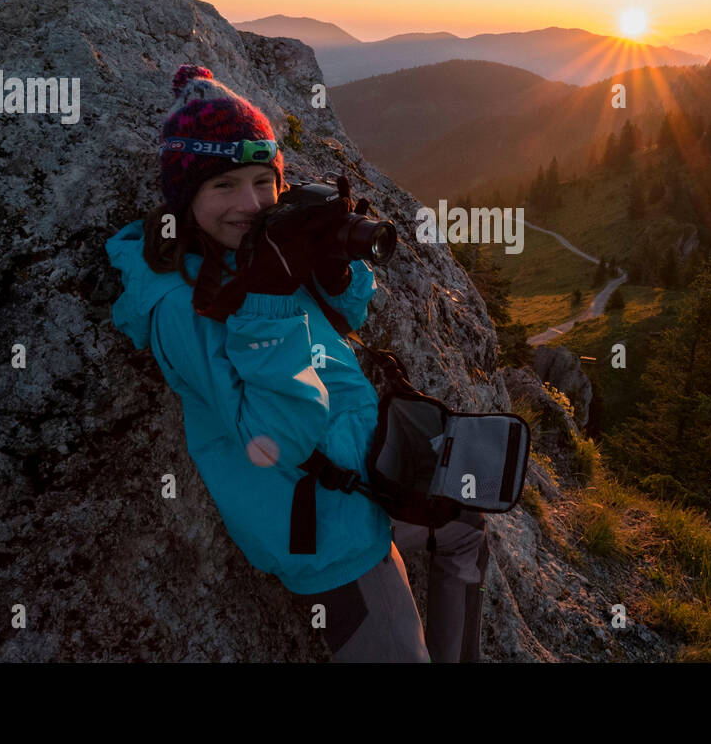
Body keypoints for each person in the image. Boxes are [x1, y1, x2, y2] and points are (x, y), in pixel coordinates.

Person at [105, 64, 488, 662]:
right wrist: (269, 300)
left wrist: (335, 269)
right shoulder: (181, 306)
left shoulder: (256, 249)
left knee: (465, 522)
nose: (251, 204)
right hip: (323, 526)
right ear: (184, 197)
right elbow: (274, 440)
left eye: (264, 181)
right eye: (223, 186)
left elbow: (345, 320)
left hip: (360, 471)